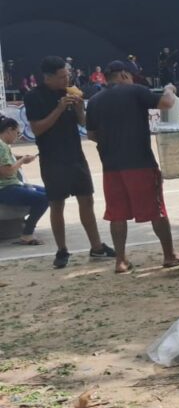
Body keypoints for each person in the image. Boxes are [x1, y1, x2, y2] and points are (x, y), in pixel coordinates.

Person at [86, 61, 179, 273]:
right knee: (156, 210)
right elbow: (167, 103)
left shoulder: (94, 101)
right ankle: (169, 255)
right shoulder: (135, 91)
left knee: (117, 214)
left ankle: (120, 261)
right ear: (124, 74)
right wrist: (170, 89)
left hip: (111, 166)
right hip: (140, 163)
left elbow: (92, 135)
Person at [24, 56, 115, 268]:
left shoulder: (69, 92)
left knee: (87, 200)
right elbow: (37, 129)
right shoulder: (34, 96)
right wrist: (58, 108)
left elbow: (83, 122)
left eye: (67, 75)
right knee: (57, 204)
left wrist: (79, 108)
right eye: (62, 76)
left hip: (75, 154)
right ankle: (62, 250)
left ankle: (97, 247)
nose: (66, 80)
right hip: (52, 158)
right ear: (48, 77)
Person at [0, 116, 49, 245]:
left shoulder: (3, 145)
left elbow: (8, 158)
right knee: (44, 198)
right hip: (5, 188)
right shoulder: (1, 146)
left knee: (49, 193)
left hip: (12, 185)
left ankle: (27, 226)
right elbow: (6, 172)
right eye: (17, 133)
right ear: (9, 130)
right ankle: (27, 233)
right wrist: (22, 161)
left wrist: (21, 158)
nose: (17, 137)